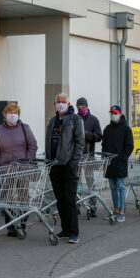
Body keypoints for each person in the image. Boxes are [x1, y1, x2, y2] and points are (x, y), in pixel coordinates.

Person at [0, 102, 37, 236]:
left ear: (19, 115)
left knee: (23, 196)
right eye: (10, 113)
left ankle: (22, 223)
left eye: (15, 113)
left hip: (22, 168)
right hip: (6, 168)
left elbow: (33, 145)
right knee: (7, 197)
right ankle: (10, 225)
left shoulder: (24, 128)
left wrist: (27, 161)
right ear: (4, 114)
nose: (13, 115)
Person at [45, 93, 84, 243]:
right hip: (54, 166)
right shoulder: (53, 121)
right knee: (60, 200)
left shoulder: (75, 120)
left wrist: (72, 163)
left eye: (63, 102)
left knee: (69, 199)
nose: (60, 104)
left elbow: (80, 143)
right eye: (58, 102)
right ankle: (65, 229)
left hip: (68, 166)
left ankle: (74, 232)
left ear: (68, 105)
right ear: (55, 104)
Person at [102, 105, 134, 222]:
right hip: (109, 162)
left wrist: (123, 157)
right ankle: (115, 210)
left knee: (120, 186)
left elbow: (129, 146)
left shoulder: (126, 129)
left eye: (115, 113)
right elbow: (104, 144)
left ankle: (122, 211)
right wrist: (105, 156)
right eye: (111, 113)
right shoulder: (107, 129)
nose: (113, 115)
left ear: (120, 114)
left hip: (120, 162)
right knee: (113, 187)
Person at [76, 97, 102, 216]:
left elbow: (99, 136)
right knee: (77, 181)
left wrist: (87, 134)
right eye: (79, 108)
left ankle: (92, 205)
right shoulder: (74, 119)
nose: (81, 110)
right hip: (76, 156)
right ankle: (77, 203)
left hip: (89, 155)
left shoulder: (93, 120)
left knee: (90, 180)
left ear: (87, 107)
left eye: (83, 108)